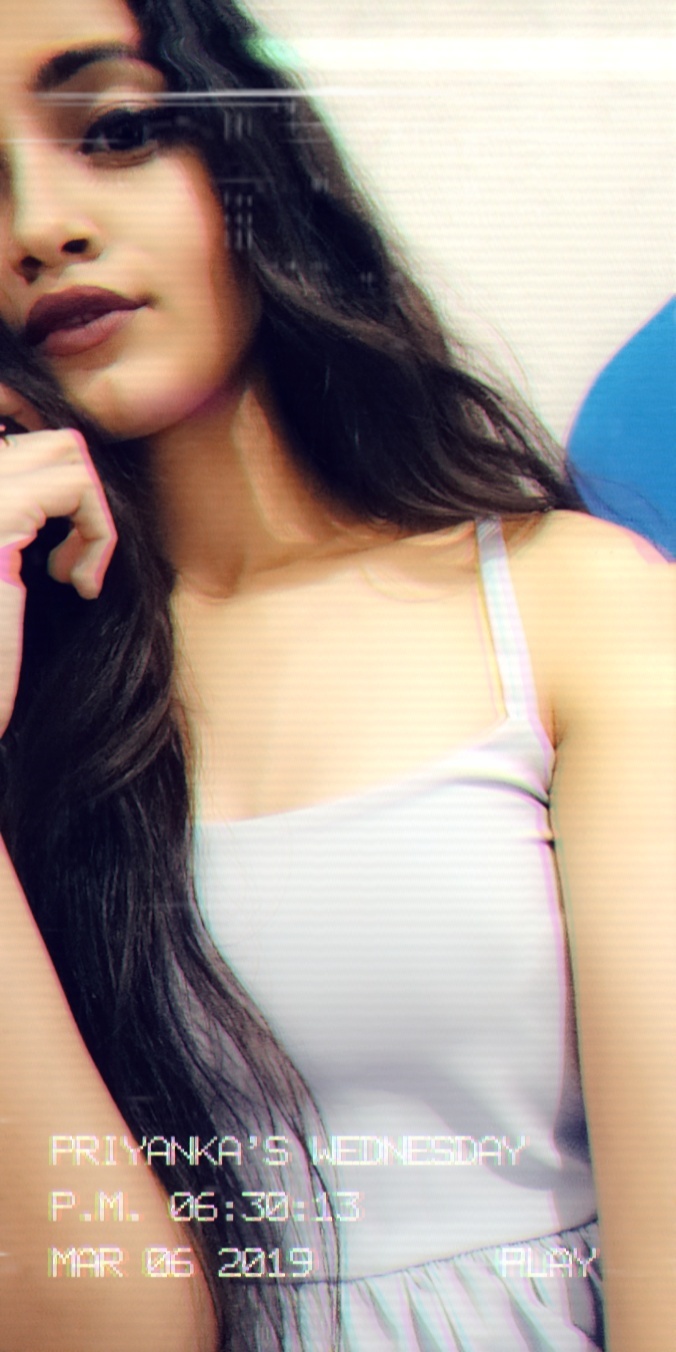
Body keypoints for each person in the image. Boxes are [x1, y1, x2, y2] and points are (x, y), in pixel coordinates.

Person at [0, 2, 673, 1350]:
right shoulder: (27, 698)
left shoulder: (573, 608)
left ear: (253, 159)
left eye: (115, 130)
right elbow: (103, 1325)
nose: (40, 226)